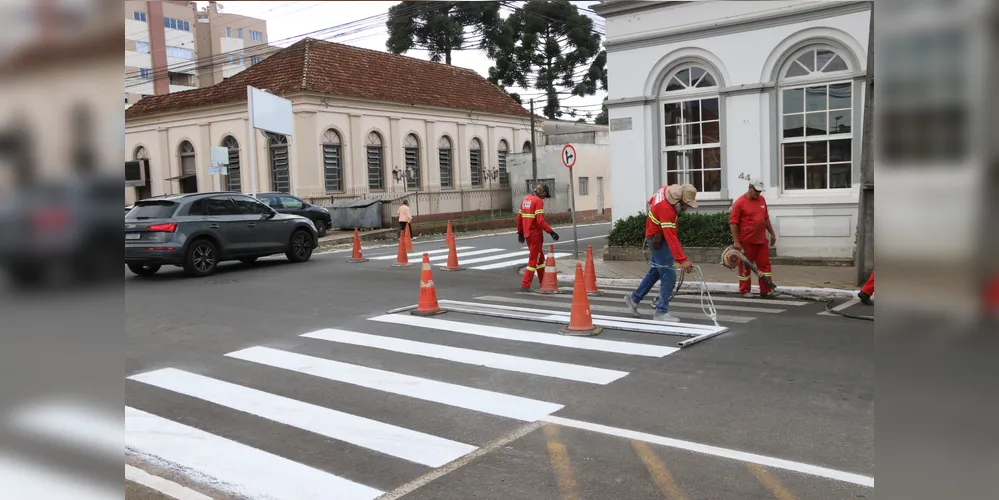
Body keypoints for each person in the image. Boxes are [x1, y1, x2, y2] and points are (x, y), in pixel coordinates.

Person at [624, 183, 698, 322]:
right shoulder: (666, 209)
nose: (686, 207)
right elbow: (671, 237)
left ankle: (634, 299)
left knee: (656, 272)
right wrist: (682, 260)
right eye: (685, 204)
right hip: (658, 239)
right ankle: (661, 312)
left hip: (655, 236)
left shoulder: (665, 189)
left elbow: (650, 200)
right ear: (679, 199)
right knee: (668, 275)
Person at [729, 180, 777, 297]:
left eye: (760, 191)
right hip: (746, 241)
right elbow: (733, 223)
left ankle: (766, 290)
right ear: (750, 188)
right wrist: (736, 241)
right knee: (746, 266)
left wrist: (772, 233)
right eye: (756, 191)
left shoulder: (762, 200)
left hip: (761, 240)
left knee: (765, 265)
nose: (758, 194)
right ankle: (745, 290)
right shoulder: (740, 202)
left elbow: (765, 218)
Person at [516, 183, 559, 291]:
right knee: (533, 260)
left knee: (540, 260)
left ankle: (543, 282)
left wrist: (520, 232)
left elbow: (519, 218)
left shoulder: (525, 200)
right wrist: (551, 232)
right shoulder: (538, 201)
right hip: (535, 235)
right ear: (543, 193)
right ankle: (525, 285)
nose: (545, 198)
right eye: (545, 195)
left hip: (527, 235)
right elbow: (540, 221)